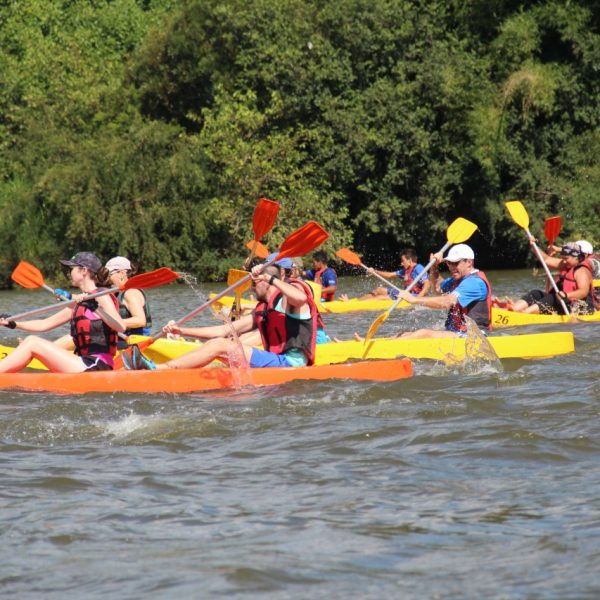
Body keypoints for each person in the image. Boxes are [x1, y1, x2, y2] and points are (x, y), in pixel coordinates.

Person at [122, 260, 320, 371]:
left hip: (292, 364)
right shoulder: (263, 309)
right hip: (274, 361)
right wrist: (181, 330)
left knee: (220, 345)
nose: (251, 287)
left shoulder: (289, 301)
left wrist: (271, 277)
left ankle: (159, 370)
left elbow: (301, 299)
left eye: (254, 283)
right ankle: (163, 368)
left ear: (264, 281)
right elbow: (224, 330)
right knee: (219, 341)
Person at [0, 252, 126, 372]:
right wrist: (14, 324)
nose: (69, 273)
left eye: (71, 269)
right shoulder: (80, 302)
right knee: (31, 340)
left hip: (97, 364)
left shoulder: (101, 296)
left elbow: (120, 327)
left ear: (84, 271)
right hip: (83, 361)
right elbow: (45, 324)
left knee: (33, 342)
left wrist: (95, 309)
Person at [394, 244, 492, 339]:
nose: (451, 267)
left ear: (469, 262)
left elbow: (448, 302)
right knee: (404, 334)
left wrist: (414, 299)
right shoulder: (456, 280)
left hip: (475, 337)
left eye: (455, 263)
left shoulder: (474, 282)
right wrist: (434, 266)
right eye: (449, 263)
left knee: (423, 334)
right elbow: (437, 289)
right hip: (457, 333)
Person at [510, 242, 594, 315]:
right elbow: (546, 259)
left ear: (576, 257)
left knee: (553, 297)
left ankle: (525, 313)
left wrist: (566, 295)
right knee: (536, 293)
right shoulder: (565, 264)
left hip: (581, 307)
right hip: (564, 301)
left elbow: (583, 292)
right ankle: (514, 309)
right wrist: (534, 246)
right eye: (562, 258)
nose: (563, 261)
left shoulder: (582, 271)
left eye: (566, 259)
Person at [347, 248, 430, 301]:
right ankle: (356, 302)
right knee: (379, 290)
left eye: (403, 260)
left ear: (410, 260)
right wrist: (375, 271)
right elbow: (389, 275)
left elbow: (427, 283)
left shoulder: (419, 268)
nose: (401, 263)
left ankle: (356, 306)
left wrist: (418, 298)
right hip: (405, 294)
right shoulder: (406, 270)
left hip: (414, 296)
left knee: (380, 298)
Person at [105, 256, 153, 337]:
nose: (107, 279)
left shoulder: (131, 293)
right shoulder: (117, 293)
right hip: (122, 341)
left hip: (135, 344)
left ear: (122, 273)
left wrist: (112, 323)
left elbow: (140, 320)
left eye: (109, 274)